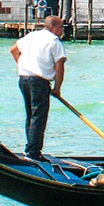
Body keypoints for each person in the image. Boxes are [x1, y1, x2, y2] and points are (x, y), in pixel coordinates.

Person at [8, 15, 66, 161]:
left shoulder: (30, 36)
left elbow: (13, 50)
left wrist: (24, 66)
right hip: (39, 82)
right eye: (60, 27)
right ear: (52, 27)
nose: (62, 30)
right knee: (39, 117)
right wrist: (57, 88)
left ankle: (30, 149)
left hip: (23, 79)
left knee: (31, 115)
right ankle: (33, 152)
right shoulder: (54, 41)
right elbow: (59, 68)